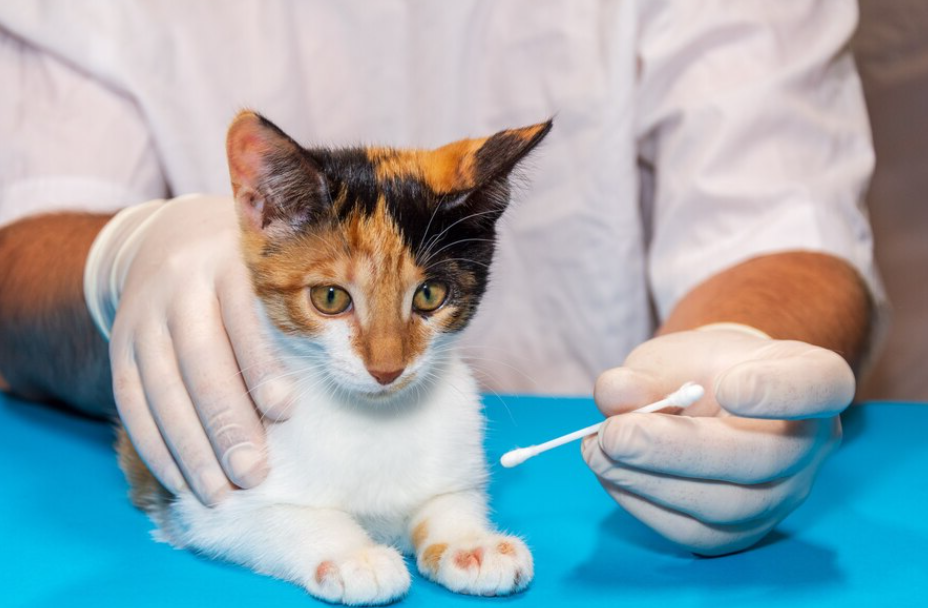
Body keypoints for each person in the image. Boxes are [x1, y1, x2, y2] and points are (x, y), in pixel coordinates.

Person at [0, 1, 880, 557]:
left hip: (582, 447)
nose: (384, 358)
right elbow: (22, 241)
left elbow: (783, 219)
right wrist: (125, 256)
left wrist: (741, 364)